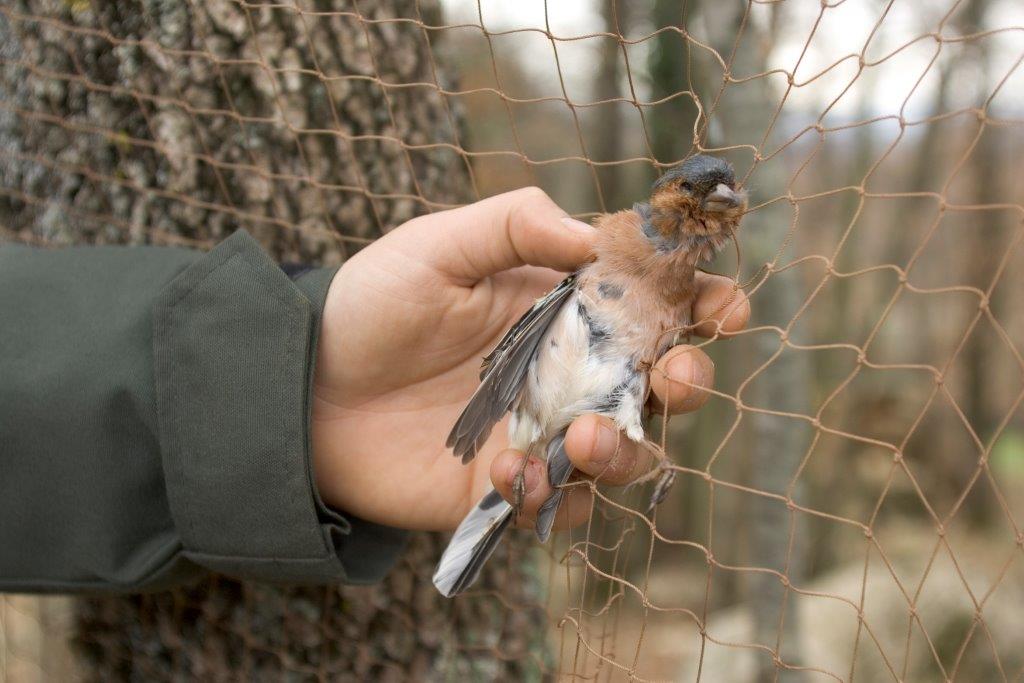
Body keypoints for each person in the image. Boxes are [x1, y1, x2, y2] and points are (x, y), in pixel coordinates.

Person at [0, 187, 749, 592]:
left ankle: (526, 490)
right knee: (563, 431)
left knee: (604, 435)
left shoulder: (672, 288)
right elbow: (547, 316)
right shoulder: (599, 254)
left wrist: (309, 372)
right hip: (529, 392)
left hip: (559, 411)